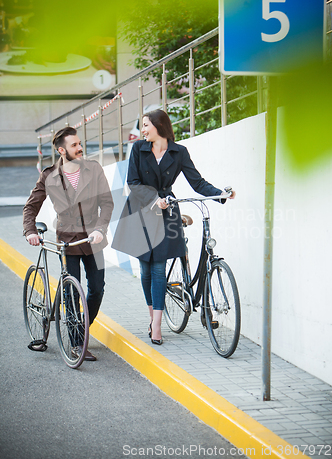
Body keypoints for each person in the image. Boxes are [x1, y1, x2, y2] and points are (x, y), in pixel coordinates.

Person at [112, 109, 235, 345]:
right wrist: (153, 199)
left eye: (146, 125)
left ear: (159, 126)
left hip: (167, 210)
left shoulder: (179, 152)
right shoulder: (139, 149)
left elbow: (196, 182)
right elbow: (133, 183)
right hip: (141, 210)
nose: (143, 130)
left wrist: (220, 194)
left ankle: (156, 326)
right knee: (146, 270)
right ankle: (152, 317)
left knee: (158, 268)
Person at [23, 126, 114, 361]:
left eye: (80, 143)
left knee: (97, 288)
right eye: (74, 145)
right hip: (67, 241)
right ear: (62, 150)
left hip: (93, 239)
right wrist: (30, 231)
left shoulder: (93, 169)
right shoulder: (49, 176)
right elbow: (31, 206)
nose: (80, 148)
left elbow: (107, 203)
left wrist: (100, 229)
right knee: (72, 292)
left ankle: (81, 328)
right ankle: (76, 342)